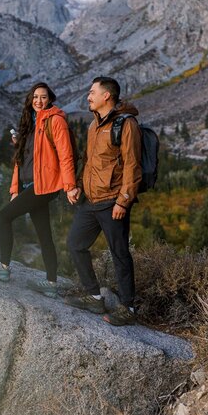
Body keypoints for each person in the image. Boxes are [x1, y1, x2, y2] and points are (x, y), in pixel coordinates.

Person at [0, 82, 77, 298]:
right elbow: (21, 162)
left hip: (45, 185)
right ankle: (52, 283)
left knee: (4, 216)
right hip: (29, 184)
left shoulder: (56, 121)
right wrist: (15, 188)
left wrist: (70, 186)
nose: (39, 101)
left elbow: (66, 155)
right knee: (44, 233)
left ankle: (3, 267)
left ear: (50, 99)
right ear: (30, 99)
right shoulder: (31, 123)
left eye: (43, 97)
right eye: (35, 97)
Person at [65, 76, 142, 325]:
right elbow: (88, 161)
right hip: (90, 200)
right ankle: (94, 296)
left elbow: (132, 166)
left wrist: (124, 201)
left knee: (119, 253)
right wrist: (77, 185)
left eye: (92, 92)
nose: (88, 96)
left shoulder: (126, 125)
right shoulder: (93, 125)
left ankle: (128, 308)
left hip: (112, 201)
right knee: (75, 243)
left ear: (106, 96)